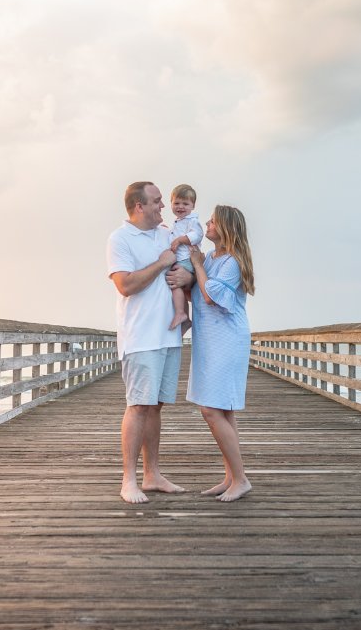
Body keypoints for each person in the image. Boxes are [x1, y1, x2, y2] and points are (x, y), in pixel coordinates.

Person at [106, 181, 192, 504]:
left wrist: (188, 277)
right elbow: (125, 285)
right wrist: (160, 263)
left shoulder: (165, 233)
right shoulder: (120, 239)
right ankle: (129, 479)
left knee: (156, 406)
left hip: (168, 335)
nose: (163, 206)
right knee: (138, 405)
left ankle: (152, 474)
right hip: (140, 337)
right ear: (139, 206)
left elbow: (184, 268)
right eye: (157, 201)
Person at [185, 204, 256, 502]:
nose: (208, 224)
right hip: (210, 340)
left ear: (226, 227)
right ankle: (231, 477)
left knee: (211, 409)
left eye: (213, 221)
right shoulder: (213, 257)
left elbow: (211, 295)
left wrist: (198, 265)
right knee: (224, 409)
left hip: (227, 340)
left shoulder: (232, 261)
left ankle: (240, 479)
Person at [166, 184, 204, 331]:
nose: (180, 207)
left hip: (186, 260)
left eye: (185, 203)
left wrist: (181, 239)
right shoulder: (177, 222)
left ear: (193, 206)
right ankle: (185, 317)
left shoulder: (192, 221)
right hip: (181, 259)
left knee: (175, 283)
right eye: (176, 203)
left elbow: (197, 235)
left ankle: (181, 313)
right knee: (177, 287)